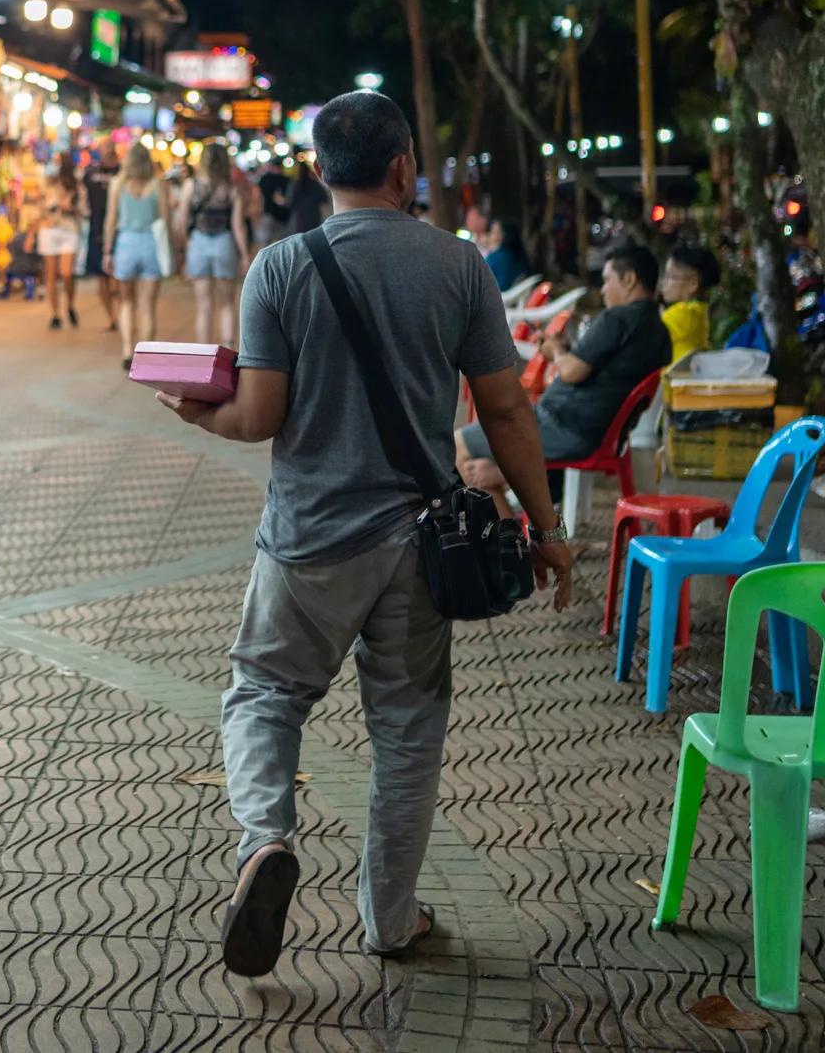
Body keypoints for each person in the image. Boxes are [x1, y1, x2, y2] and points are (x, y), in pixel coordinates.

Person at [157, 91, 571, 977]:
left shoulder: (278, 266)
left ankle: (266, 839)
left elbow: (260, 413)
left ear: (316, 171)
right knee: (408, 731)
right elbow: (505, 407)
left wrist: (198, 414)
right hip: (421, 545)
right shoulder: (459, 265)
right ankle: (389, 920)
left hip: (306, 541)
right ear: (402, 167)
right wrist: (548, 528)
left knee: (266, 691)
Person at [459, 243, 669, 477]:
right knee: (481, 471)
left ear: (629, 279)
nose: (603, 290)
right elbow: (603, 369)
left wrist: (556, 353)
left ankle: (460, 507)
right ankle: (502, 497)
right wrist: (564, 350)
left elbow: (571, 372)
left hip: (563, 429)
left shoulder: (618, 318)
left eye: (608, 280)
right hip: (593, 432)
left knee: (459, 445)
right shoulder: (657, 328)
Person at [180, 142, 249, 348]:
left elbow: (182, 221)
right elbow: (239, 226)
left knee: (204, 305)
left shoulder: (191, 185)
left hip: (199, 242)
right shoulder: (231, 189)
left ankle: (204, 353)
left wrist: (184, 249)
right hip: (224, 242)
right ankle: (228, 352)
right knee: (227, 304)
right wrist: (244, 255)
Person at [105, 143, 167, 367]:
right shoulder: (158, 185)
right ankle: (148, 353)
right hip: (151, 243)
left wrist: (107, 250)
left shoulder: (117, 184)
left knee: (126, 302)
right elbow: (164, 219)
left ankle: (126, 351)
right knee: (148, 304)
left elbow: (111, 219)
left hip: (126, 244)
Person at [36, 156, 86, 330]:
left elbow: (84, 209)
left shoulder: (76, 186)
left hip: (68, 229)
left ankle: (70, 305)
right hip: (49, 229)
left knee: (67, 272)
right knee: (50, 274)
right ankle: (54, 313)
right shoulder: (48, 185)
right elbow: (41, 207)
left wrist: (70, 207)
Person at [660, 242, 720, 363]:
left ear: (693, 284)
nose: (663, 282)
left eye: (670, 276)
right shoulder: (699, 311)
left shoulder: (681, 314)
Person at [83, 152, 119, 332]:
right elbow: (83, 196)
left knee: (118, 279)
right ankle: (111, 317)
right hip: (97, 229)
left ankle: (119, 314)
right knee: (102, 278)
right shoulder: (90, 173)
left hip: (117, 231)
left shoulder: (122, 174)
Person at [479, 216, 529, 293]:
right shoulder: (518, 257)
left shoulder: (497, 257)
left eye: (494, 232)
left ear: (500, 236)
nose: (490, 236)